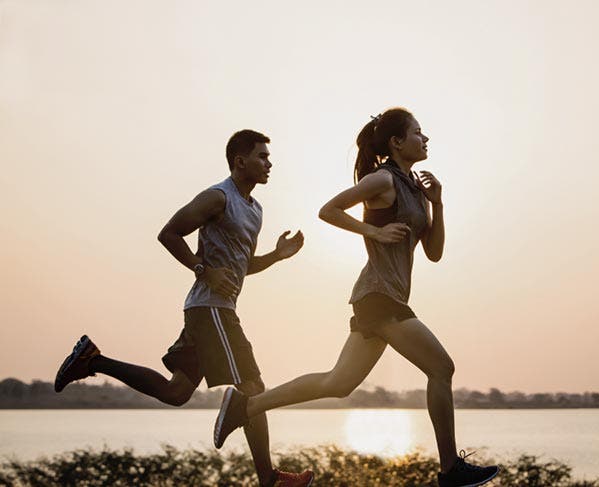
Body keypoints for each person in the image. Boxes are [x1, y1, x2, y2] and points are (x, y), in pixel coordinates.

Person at [214, 109, 500, 487]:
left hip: (386, 296)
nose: (425, 138)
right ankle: (450, 468)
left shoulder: (415, 188)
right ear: (397, 142)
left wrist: (438, 203)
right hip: (379, 297)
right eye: (418, 132)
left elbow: (433, 251)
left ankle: (246, 406)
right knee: (441, 368)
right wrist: (373, 232)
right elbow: (327, 210)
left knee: (337, 383)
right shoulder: (382, 179)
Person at [54, 129, 314, 487]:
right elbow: (169, 233)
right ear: (240, 162)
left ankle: (92, 359)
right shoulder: (217, 198)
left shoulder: (255, 210)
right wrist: (202, 270)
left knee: (176, 393)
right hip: (211, 309)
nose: (269, 163)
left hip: (212, 308)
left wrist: (275, 256)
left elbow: (241, 266)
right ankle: (269, 479)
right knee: (253, 386)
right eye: (262, 156)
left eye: (269, 157)